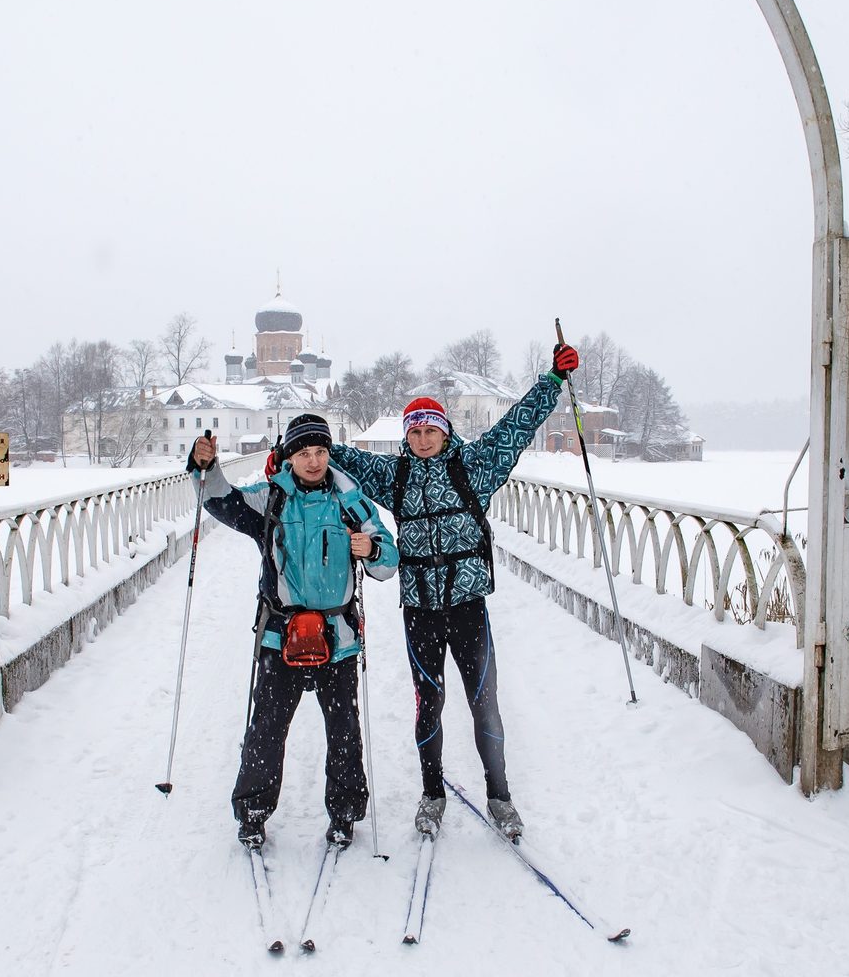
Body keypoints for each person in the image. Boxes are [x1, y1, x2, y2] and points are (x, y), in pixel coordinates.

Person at [327, 341, 579, 840]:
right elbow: (337, 457)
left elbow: (517, 426)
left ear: (445, 433)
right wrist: (297, 442)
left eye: (431, 431)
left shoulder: (475, 466)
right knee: (430, 701)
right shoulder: (393, 473)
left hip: (468, 605)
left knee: (484, 701)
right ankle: (432, 793)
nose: (423, 439)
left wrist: (552, 382)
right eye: (415, 432)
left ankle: (500, 796)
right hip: (419, 607)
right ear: (407, 436)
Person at [189, 413, 399, 850]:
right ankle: (252, 813)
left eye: (320, 451)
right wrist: (205, 468)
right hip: (279, 636)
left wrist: (372, 547)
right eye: (304, 452)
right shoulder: (270, 499)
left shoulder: (352, 502)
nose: (313, 460)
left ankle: (344, 814)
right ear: (289, 456)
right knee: (266, 728)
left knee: (343, 729)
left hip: (338, 638)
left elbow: (387, 564)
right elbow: (222, 502)